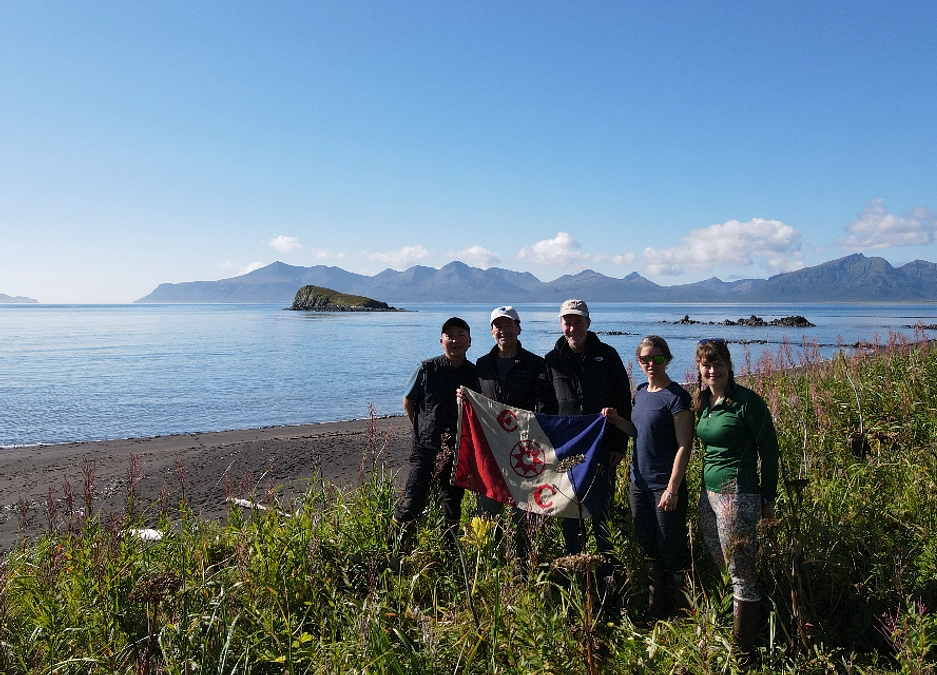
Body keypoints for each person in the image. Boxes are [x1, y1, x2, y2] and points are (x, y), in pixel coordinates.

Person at [692, 338, 779, 659]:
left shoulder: (747, 403)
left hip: (738, 496)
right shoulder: (702, 402)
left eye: (718, 364)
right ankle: (730, 630)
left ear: (729, 366)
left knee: (742, 571)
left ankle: (744, 652)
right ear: (699, 369)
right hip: (709, 495)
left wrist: (767, 500)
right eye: (706, 365)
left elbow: (770, 455)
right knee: (720, 563)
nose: (712, 370)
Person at [604, 335, 694, 622]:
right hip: (639, 484)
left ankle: (682, 610)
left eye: (657, 358)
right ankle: (656, 606)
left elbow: (684, 445)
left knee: (673, 547)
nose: (651, 364)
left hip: (665, 486)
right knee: (648, 547)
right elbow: (638, 432)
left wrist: (673, 488)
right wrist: (618, 421)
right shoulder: (640, 392)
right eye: (645, 359)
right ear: (639, 361)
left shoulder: (677, 397)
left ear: (667, 359)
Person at [544, 299, 632, 581]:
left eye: (578, 322)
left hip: (602, 449)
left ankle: (609, 576)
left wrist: (619, 445)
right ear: (561, 325)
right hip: (566, 453)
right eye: (567, 322)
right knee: (569, 513)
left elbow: (623, 402)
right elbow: (545, 407)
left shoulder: (607, 355)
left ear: (588, 323)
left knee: (601, 512)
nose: (572, 328)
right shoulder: (551, 360)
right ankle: (576, 573)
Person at [475, 306, 558, 559]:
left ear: (518, 329)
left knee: (526, 511)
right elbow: (476, 404)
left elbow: (546, 407)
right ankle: (492, 562)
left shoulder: (536, 364)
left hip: (525, 452)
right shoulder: (482, 365)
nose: (504, 331)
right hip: (492, 451)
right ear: (491, 332)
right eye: (498, 326)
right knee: (489, 510)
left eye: (509, 325)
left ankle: (526, 559)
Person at [391, 317, 479, 551]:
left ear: (469, 341)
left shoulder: (474, 374)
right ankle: (395, 551)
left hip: (458, 449)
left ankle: (448, 553)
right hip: (426, 448)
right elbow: (408, 402)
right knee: (412, 502)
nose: (455, 340)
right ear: (441, 341)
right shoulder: (426, 368)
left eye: (461, 335)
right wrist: (422, 428)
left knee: (452, 505)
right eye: (450, 335)